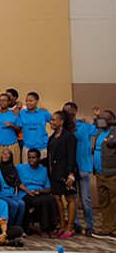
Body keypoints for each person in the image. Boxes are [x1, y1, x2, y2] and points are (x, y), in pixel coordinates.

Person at [63, 102, 96, 237]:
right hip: (70, 168)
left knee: (85, 198)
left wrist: (95, 117)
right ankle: (75, 223)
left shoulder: (84, 126)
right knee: (72, 198)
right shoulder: (65, 128)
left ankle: (90, 225)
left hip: (82, 167)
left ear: (72, 113)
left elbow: (97, 130)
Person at [47, 110, 78, 238]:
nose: (51, 122)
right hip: (54, 173)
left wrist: (71, 174)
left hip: (66, 172)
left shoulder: (69, 136)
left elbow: (71, 157)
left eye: (54, 120)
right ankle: (62, 225)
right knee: (57, 198)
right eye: (51, 120)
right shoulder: (52, 137)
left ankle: (70, 228)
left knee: (69, 198)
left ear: (62, 122)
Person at [0, 148, 26, 228]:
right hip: (1, 194)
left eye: (7, 153)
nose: (5, 155)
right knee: (14, 205)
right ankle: (9, 226)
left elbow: (18, 183)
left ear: (11, 157)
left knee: (22, 203)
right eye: (3, 153)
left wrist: (29, 192)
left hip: (11, 194)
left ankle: (18, 227)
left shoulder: (13, 169)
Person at [95, 118, 116, 239]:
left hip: (112, 173)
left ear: (113, 120)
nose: (102, 121)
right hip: (100, 172)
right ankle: (107, 228)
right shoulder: (99, 132)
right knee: (104, 202)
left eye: (106, 119)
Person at [0, 93, 22, 165]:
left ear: (9, 102)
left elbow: (18, 128)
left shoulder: (14, 113)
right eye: (0, 100)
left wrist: (11, 125)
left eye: (5, 100)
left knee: (14, 164)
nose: (2, 102)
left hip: (11, 142)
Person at [19, 92, 51, 159]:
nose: (28, 103)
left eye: (30, 101)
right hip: (27, 147)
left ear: (36, 101)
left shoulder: (44, 113)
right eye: (26, 101)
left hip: (42, 147)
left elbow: (55, 122)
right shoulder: (22, 113)